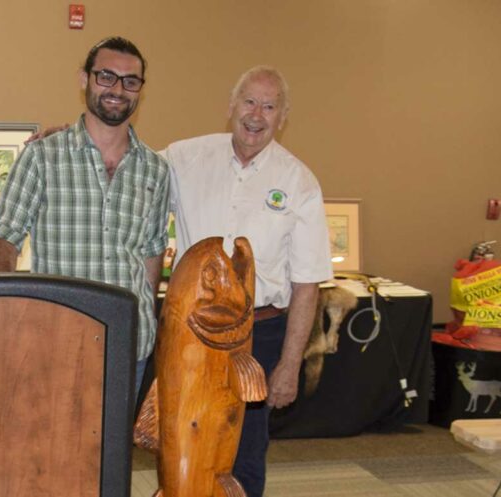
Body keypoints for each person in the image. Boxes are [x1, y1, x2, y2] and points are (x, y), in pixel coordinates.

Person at [164, 66, 332, 497]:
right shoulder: (185, 158)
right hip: (191, 333)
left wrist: (290, 365)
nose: (257, 115)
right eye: (249, 102)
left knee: (244, 451)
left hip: (261, 333)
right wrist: (72, 138)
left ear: (283, 118)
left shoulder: (299, 183)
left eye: (269, 106)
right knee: (180, 440)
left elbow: (308, 284)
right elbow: (124, 164)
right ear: (231, 106)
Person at [0, 36, 170, 399]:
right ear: (84, 79)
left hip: (129, 346)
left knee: (114, 456)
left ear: (139, 92)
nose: (118, 89)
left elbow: (151, 251)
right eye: (106, 77)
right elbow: (3, 239)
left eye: (130, 81)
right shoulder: (42, 157)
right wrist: (10, 312)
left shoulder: (155, 170)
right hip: (56, 343)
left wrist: (146, 314)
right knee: (53, 454)